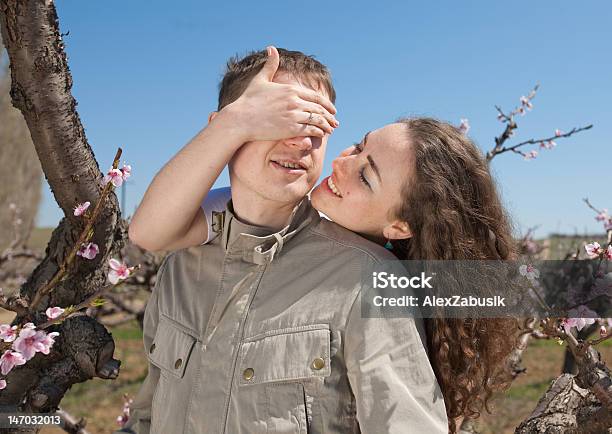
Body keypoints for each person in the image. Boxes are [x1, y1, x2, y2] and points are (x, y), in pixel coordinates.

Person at [121, 46, 448, 434]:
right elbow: (148, 414)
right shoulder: (181, 265)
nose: (302, 143)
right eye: (279, 121)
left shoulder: (366, 277)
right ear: (225, 128)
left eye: (317, 129)